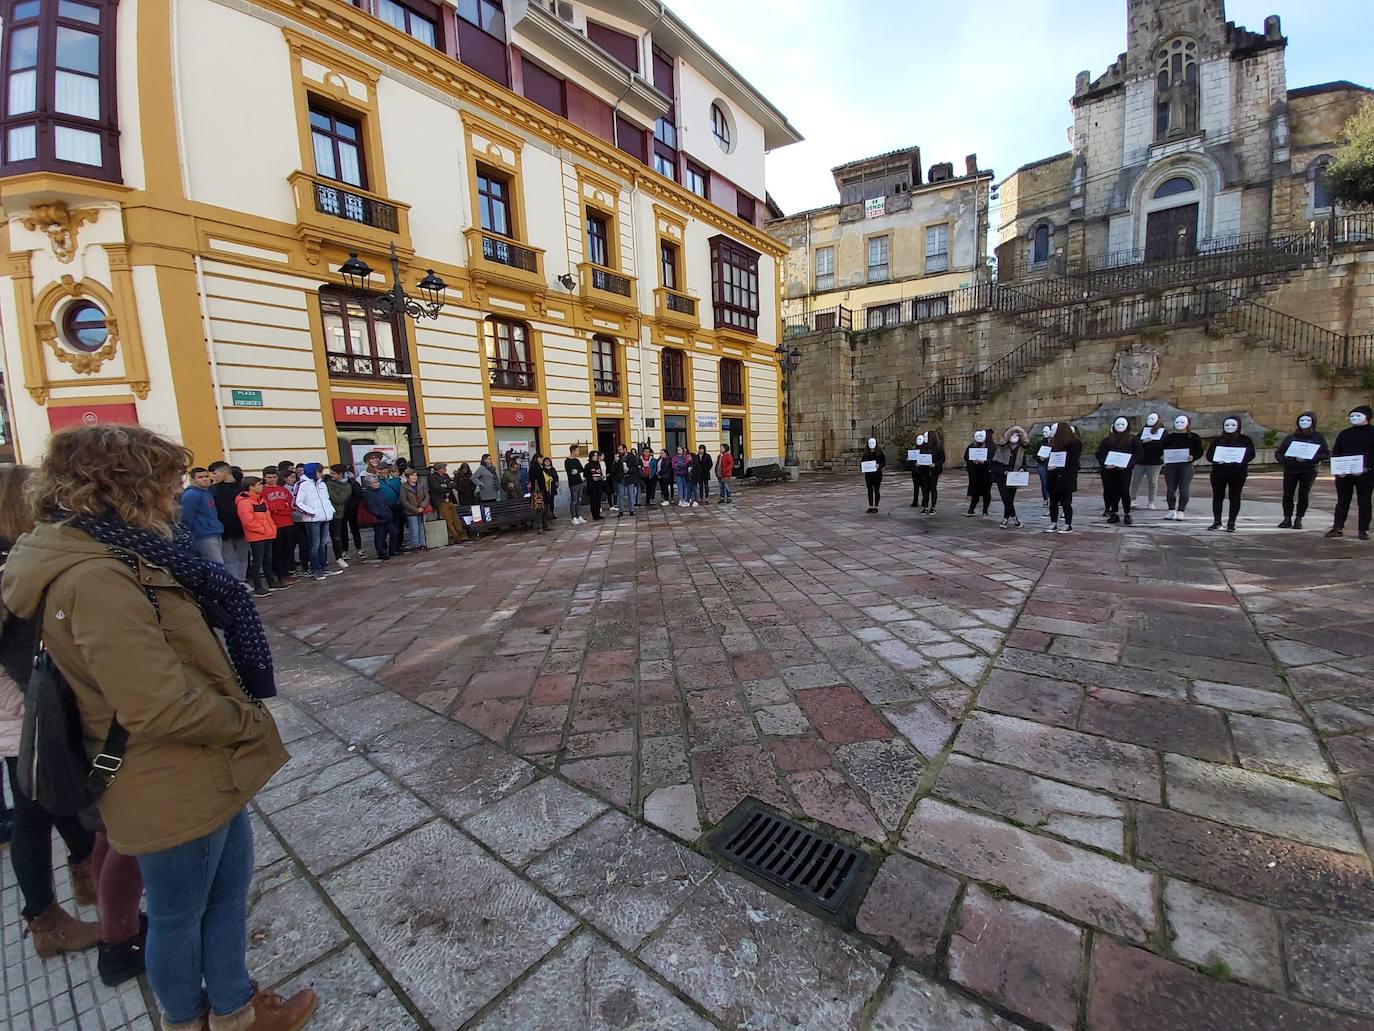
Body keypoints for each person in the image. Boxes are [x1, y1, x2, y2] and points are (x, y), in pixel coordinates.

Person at [2, 425, 315, 1031]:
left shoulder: (115, 552)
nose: (178, 493)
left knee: (219, 901)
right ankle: (192, 1016)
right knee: (179, 915)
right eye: (166, 481)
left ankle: (232, 1007)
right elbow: (157, 704)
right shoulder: (95, 576)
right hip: (165, 772)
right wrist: (244, 721)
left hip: (190, 769)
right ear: (126, 488)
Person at [0, 465, 103, 963]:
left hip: (24, 708)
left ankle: (89, 876)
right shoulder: (11, 566)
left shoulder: (18, 560)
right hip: (22, 712)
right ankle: (46, 921)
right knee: (34, 812)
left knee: (55, 797)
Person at [1326, 404, 1374, 540]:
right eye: (1352, 416)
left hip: (1366, 474)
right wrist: (1337, 469)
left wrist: (1367, 467)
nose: (1354, 418)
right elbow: (1337, 452)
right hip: (1344, 474)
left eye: (1358, 415)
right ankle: (1337, 527)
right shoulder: (1345, 433)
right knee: (1342, 501)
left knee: (1364, 501)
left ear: (1367, 417)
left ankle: (1363, 529)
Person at [1277, 411, 1329, 529]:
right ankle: (1287, 517)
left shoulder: (1318, 437)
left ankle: (1299, 518)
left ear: (1313, 422)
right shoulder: (1291, 437)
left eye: (1307, 420)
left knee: (1303, 494)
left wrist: (1310, 459)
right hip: (1291, 470)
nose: (1304, 423)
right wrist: (1288, 461)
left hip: (1308, 470)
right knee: (1288, 495)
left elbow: (1325, 453)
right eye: (1302, 420)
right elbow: (1279, 453)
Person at [235, 477, 287, 598]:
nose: (262, 487)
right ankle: (258, 587)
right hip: (257, 536)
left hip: (267, 533)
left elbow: (267, 516)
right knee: (257, 561)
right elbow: (247, 521)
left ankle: (271, 582)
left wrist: (272, 528)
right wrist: (262, 529)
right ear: (251, 487)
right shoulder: (244, 502)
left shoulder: (261, 500)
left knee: (267, 560)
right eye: (259, 485)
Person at [1206, 417, 1256, 532]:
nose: (1229, 428)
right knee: (1218, 496)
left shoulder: (1245, 440)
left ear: (1238, 426)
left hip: (1237, 472)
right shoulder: (1218, 440)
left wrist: (1239, 461)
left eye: (1232, 425)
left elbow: (1250, 454)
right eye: (1227, 425)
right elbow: (1209, 455)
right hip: (1219, 471)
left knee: (1235, 496)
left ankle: (1231, 522)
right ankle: (1217, 521)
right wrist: (1216, 460)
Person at [294, 463, 338, 579]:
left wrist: (330, 511)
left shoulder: (322, 484)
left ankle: (324, 566)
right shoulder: (302, 485)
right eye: (319, 472)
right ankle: (316, 569)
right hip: (312, 520)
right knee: (314, 545)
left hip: (325, 518)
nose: (321, 474)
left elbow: (326, 499)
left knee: (323, 544)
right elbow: (297, 503)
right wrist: (312, 513)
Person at [1096, 417, 1141, 525]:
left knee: (1124, 491)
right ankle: (1114, 513)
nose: (1120, 427)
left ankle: (1127, 513)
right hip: (1110, 471)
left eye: (1122, 425)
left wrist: (1128, 464)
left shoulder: (1133, 440)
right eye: (1118, 425)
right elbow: (1099, 454)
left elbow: (1138, 454)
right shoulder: (1107, 440)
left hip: (1124, 471)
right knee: (1112, 492)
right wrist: (1105, 464)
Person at [207, 462, 248, 581]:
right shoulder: (212, 489)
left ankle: (242, 580)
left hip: (242, 527)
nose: (213, 476)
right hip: (222, 529)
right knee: (229, 558)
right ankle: (234, 582)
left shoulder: (241, 487)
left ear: (225, 472)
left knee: (243, 556)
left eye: (215, 473)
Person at [1161, 415, 1205, 521]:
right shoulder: (1169, 437)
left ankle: (1181, 510)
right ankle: (1171, 510)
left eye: (1182, 422)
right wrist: (1162, 456)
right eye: (1178, 422)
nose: (1180, 425)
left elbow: (1199, 451)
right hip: (1171, 466)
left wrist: (1192, 457)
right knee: (1170, 489)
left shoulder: (1194, 437)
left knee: (1184, 488)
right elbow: (1162, 449)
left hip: (1186, 465)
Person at [178, 468, 223, 564]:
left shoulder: (207, 492)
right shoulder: (191, 495)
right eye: (200, 477)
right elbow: (186, 516)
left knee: (217, 564)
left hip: (214, 531)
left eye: (206, 476)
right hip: (202, 535)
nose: (205, 479)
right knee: (216, 564)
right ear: (193, 479)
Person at [260, 469, 297, 587]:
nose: (272, 479)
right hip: (275, 524)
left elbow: (291, 505)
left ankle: (287, 573)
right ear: (264, 477)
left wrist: (280, 509)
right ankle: (280, 575)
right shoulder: (263, 491)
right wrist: (279, 508)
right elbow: (267, 507)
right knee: (277, 551)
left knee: (289, 549)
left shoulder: (283, 490)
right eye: (269, 477)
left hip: (288, 522)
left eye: (274, 477)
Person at [1044, 422, 1082, 534]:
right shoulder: (1053, 443)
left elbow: (1073, 462)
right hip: (1053, 476)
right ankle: (1053, 522)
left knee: (1066, 501)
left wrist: (1059, 467)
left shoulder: (1073, 443)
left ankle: (1067, 524)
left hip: (1066, 477)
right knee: (1053, 501)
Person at [991, 426, 1030, 528]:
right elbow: (994, 465)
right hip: (1002, 478)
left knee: (1010, 499)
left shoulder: (1021, 449)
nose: (1014, 436)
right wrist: (1004, 472)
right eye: (1012, 434)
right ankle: (1015, 518)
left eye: (1017, 435)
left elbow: (1024, 464)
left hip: (1014, 478)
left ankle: (1005, 519)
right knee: (1006, 498)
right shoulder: (1001, 449)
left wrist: (1022, 469)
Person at [361, 474, 401, 558]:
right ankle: (381, 552)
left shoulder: (380, 491)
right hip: (378, 518)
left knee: (394, 532)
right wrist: (381, 514)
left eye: (377, 482)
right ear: (369, 484)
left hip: (387, 515)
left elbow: (385, 503)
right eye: (375, 482)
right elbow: (371, 507)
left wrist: (388, 513)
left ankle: (392, 550)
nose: (378, 483)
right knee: (380, 535)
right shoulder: (368, 493)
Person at [1131, 413, 1166, 509]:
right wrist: (1142, 442)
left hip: (1154, 461)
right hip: (1141, 461)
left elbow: (1163, 445)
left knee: (1153, 482)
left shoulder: (1163, 432)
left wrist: (1153, 444)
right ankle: (1132, 500)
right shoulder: (1144, 430)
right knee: (1135, 481)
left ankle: (1151, 501)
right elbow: (1137, 441)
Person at [325, 465, 352, 569]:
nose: (331, 475)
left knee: (336, 536)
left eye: (333, 474)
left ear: (340, 474)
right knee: (323, 539)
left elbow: (339, 499)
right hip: (325, 513)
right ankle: (324, 559)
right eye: (330, 473)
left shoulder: (347, 486)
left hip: (337, 514)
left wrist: (327, 489)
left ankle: (339, 557)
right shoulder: (327, 481)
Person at [964, 430, 993, 517]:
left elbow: (993, 459)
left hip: (986, 472)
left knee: (986, 491)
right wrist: (972, 460)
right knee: (975, 491)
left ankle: (985, 510)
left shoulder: (991, 447)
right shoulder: (971, 446)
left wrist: (984, 462)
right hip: (975, 472)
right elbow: (966, 457)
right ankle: (971, 509)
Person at [399, 468, 430, 550]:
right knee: (414, 528)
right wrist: (415, 509)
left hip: (422, 509)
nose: (415, 477)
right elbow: (403, 500)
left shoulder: (422, 484)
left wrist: (422, 506)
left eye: (415, 475)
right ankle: (415, 544)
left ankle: (423, 544)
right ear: (408, 477)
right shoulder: (404, 487)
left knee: (422, 528)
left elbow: (426, 496)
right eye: (412, 476)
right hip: (411, 511)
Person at [915, 431, 945, 514]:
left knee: (932, 488)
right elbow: (921, 457)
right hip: (924, 471)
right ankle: (925, 506)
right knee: (925, 489)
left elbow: (942, 459)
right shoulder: (923, 448)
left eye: (926, 437)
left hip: (934, 471)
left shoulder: (938, 448)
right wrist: (919, 463)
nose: (924, 439)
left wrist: (935, 464)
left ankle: (933, 507)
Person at [452, 463, 480, 541]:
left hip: (471, 496)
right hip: (463, 496)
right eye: (464, 469)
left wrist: (472, 490)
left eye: (466, 468)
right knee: (465, 513)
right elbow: (456, 485)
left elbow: (474, 484)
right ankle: (467, 530)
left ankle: (474, 530)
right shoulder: (458, 476)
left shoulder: (470, 475)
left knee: (472, 513)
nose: (465, 470)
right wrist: (461, 491)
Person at [861, 436, 886, 513]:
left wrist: (879, 466)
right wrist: (863, 467)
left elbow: (883, 462)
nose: (871, 444)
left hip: (877, 474)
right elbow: (862, 462)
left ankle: (876, 506)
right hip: (868, 475)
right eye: (870, 443)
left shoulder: (879, 453)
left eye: (873, 443)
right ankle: (870, 506)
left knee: (876, 490)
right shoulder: (866, 453)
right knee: (869, 490)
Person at [528, 455, 552, 533]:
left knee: (544, 508)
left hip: (543, 489)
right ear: (536, 459)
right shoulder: (534, 468)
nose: (542, 459)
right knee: (539, 508)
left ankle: (545, 525)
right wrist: (536, 490)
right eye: (540, 458)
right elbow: (534, 480)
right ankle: (539, 526)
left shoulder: (541, 467)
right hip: (537, 490)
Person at [617, 446, 641, 516]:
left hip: (630, 478)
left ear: (625, 449)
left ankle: (632, 510)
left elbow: (635, 467)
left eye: (620, 450)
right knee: (621, 495)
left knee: (631, 495)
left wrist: (629, 470)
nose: (619, 451)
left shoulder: (631, 457)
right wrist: (615, 462)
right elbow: (614, 469)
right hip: (621, 478)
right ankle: (621, 511)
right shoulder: (618, 458)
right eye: (618, 450)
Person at [564, 446, 585, 525]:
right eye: (577, 451)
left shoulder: (576, 460)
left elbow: (581, 469)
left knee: (579, 499)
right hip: (573, 483)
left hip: (579, 481)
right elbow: (569, 471)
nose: (578, 452)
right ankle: (573, 517)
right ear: (573, 451)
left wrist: (577, 470)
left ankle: (579, 515)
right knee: (574, 500)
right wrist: (573, 471)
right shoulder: (567, 461)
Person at [1034, 424, 1053, 507]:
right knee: (1044, 482)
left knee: (1052, 481)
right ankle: (1046, 499)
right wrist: (1039, 458)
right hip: (1042, 464)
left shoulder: (1054, 443)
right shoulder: (1040, 443)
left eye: (1046, 432)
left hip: (1051, 464)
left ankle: (1053, 498)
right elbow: (1035, 454)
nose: (1044, 433)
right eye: (1043, 432)